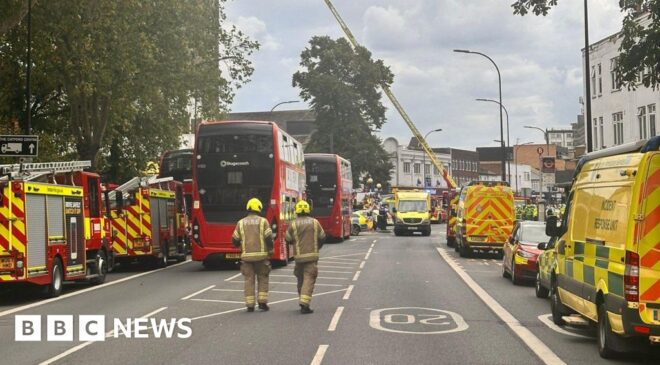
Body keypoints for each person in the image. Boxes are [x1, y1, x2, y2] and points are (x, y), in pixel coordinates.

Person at [232, 198, 273, 312]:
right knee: (263, 278)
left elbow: (234, 239)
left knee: (248, 280)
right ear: (259, 208)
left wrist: (240, 246)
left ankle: (250, 305)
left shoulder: (241, 223)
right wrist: (270, 249)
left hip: (246, 257)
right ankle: (262, 303)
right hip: (261, 256)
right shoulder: (263, 221)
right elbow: (269, 238)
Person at [285, 200, 326, 314]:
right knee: (309, 278)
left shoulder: (293, 224)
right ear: (308, 210)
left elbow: (287, 239)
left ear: (297, 211)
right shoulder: (314, 222)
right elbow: (322, 237)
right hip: (312, 257)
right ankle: (305, 303)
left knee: (300, 279)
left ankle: (301, 300)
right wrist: (317, 247)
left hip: (298, 257)